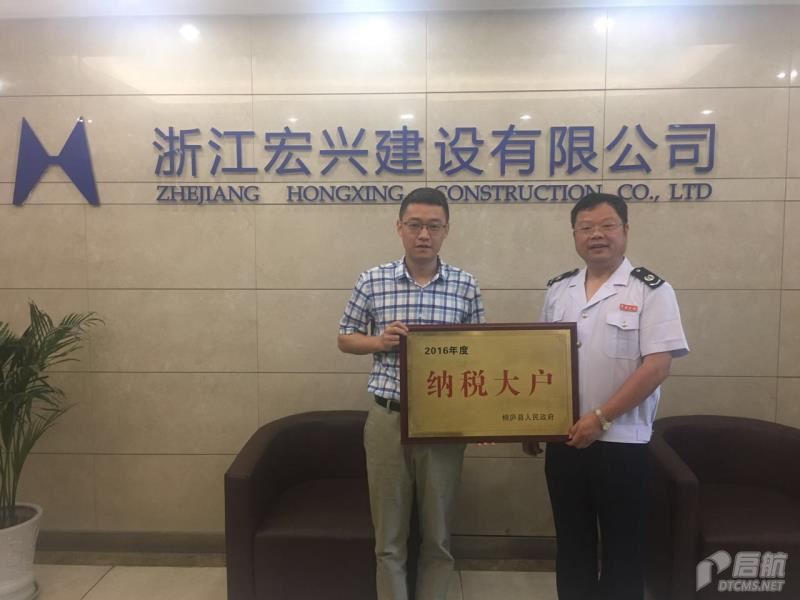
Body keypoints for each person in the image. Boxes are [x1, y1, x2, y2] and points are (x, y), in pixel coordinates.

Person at [534, 192, 689, 600]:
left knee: (624, 549)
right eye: (586, 228)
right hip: (565, 440)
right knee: (572, 544)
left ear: (625, 231)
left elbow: (657, 367)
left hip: (622, 443)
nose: (596, 235)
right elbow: (541, 361)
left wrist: (600, 418)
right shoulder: (559, 290)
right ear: (574, 234)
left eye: (607, 226)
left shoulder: (652, 291)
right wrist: (533, 422)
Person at [337, 187, 485, 600]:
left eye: (434, 226)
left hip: (444, 422)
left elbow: (481, 355)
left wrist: (481, 416)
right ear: (399, 228)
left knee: (438, 537)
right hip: (388, 418)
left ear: (446, 230)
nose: (424, 234)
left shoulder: (465, 285)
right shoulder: (373, 280)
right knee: (389, 539)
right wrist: (380, 341)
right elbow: (345, 338)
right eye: (415, 225)